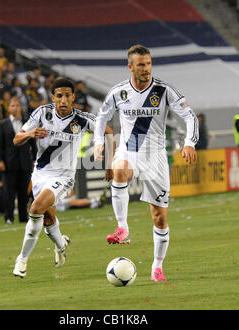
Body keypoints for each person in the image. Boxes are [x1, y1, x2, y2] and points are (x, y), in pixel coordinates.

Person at [94, 44, 198, 282]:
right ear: (130, 67)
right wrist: (99, 142)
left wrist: (190, 142)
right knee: (119, 170)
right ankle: (123, 228)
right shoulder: (118, 92)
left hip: (156, 155)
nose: (146, 68)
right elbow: (102, 116)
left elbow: (189, 115)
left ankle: (157, 267)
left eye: (149, 63)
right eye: (141, 64)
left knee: (159, 217)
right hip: (129, 149)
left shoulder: (163, 90)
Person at [12, 77, 114, 278]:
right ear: (53, 97)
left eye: (68, 95)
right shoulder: (42, 113)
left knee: (35, 209)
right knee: (48, 219)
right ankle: (61, 245)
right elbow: (17, 139)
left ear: (73, 96)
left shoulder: (83, 119)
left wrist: (109, 164)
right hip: (40, 174)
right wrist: (31, 133)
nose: (63, 100)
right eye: (59, 96)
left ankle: (22, 260)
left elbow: (109, 132)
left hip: (64, 177)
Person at [0, 97, 37, 224]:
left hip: (25, 163)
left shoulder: (27, 123)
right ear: (9, 108)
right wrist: (0, 161)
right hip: (9, 164)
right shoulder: (3, 124)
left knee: (24, 193)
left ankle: (23, 217)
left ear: (20, 107)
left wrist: (35, 159)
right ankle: (9, 217)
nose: (15, 107)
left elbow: (33, 144)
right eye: (13, 105)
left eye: (17, 105)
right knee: (9, 192)